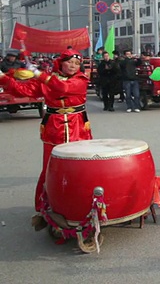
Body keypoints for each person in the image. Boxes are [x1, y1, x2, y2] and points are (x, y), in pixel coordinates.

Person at [0, 49, 92, 213]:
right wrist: (4, 78)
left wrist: (38, 74)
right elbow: (24, 90)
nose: (73, 66)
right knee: (51, 166)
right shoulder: (49, 79)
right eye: (69, 62)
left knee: (79, 166)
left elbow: (63, 88)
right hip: (54, 127)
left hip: (77, 126)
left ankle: (81, 202)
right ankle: (46, 204)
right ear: (61, 63)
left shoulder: (80, 79)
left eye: (76, 63)